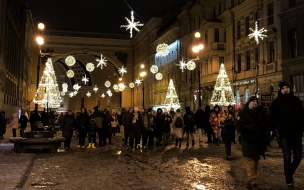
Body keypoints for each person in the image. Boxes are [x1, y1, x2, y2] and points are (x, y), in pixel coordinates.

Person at [271, 81, 304, 190]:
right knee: (287, 158)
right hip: (284, 134)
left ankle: (289, 173)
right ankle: (289, 180)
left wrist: (301, 129)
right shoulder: (276, 102)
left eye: (287, 87)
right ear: (280, 90)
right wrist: (279, 130)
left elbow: (301, 115)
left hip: (296, 133)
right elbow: (274, 119)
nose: (286, 89)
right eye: (283, 88)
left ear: (290, 89)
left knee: (298, 156)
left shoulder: (296, 100)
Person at [235, 96, 269, 190]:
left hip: (257, 142)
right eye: (253, 101)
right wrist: (251, 127)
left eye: (256, 101)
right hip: (247, 141)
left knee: (255, 162)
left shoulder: (258, 112)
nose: (255, 103)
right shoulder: (242, 113)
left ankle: (250, 181)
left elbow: (265, 122)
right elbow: (238, 125)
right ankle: (253, 182)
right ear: (249, 102)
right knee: (250, 162)